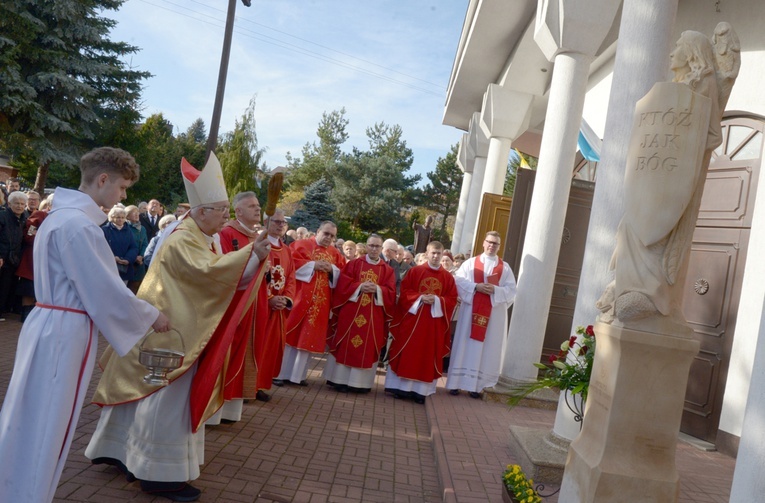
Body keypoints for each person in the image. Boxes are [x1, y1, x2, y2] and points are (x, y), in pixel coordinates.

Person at [85, 153, 270, 501]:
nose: (226, 216)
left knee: (144, 393)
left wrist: (251, 257)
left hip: (169, 325)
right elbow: (209, 275)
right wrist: (252, 256)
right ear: (201, 212)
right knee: (166, 398)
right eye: (222, 210)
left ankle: (118, 451)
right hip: (172, 331)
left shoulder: (201, 235)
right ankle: (159, 473)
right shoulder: (186, 236)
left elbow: (214, 273)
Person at [0, 147, 170, 503]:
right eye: (122, 187)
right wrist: (152, 315)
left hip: (47, 323)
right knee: (48, 421)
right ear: (103, 179)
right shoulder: (79, 226)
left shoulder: (60, 218)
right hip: (64, 332)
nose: (124, 196)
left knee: (29, 413)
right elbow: (104, 289)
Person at [213, 191, 268, 412]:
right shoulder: (227, 234)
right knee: (230, 349)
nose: (258, 209)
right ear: (239, 211)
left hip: (255, 302)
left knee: (247, 350)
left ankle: (233, 407)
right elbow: (226, 269)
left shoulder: (256, 236)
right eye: (252, 205)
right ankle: (218, 407)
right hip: (235, 302)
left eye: (258, 205)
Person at [446, 231, 517, 398]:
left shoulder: (504, 268)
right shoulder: (470, 264)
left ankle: (477, 386)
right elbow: (458, 281)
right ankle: (456, 383)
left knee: (487, 348)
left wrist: (495, 290)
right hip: (470, 312)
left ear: (499, 247)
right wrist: (476, 287)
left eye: (496, 243)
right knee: (465, 344)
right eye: (490, 242)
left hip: (492, 315)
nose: (492, 245)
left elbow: (512, 290)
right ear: (484, 243)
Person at [385, 241, 458, 404]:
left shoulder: (447, 277)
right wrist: (420, 298)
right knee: (408, 352)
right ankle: (399, 388)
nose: (436, 256)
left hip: (433, 325)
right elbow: (404, 293)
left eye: (439, 254)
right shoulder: (415, 271)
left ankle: (420, 391)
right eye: (433, 253)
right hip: (413, 320)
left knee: (427, 353)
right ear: (427, 253)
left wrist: (438, 300)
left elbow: (452, 299)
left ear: (442, 255)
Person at [276, 221, 346, 386]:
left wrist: (332, 270)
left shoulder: (335, 254)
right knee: (290, 335)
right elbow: (290, 264)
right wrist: (312, 265)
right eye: (326, 233)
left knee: (307, 339)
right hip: (300, 299)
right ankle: (278, 374)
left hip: (320, 304)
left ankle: (297, 376)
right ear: (318, 231)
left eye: (332, 235)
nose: (328, 238)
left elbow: (342, 274)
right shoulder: (301, 245)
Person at [324, 234, 396, 393]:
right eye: (371, 245)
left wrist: (378, 289)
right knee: (345, 343)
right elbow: (342, 285)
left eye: (377, 246)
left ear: (382, 248)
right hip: (351, 312)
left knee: (369, 345)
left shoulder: (387, 270)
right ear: (366, 246)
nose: (374, 249)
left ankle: (360, 384)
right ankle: (339, 380)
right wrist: (359, 287)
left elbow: (391, 292)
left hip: (373, 316)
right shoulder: (354, 264)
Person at [256, 209, 296, 399]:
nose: (280, 225)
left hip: (278, 309)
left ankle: (261, 385)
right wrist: (270, 298)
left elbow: (291, 279)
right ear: (266, 223)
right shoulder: (259, 245)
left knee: (270, 348)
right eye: (276, 221)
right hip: (260, 306)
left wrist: (285, 299)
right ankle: (248, 385)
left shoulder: (287, 250)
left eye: (283, 222)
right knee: (257, 345)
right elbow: (256, 276)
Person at [16, 196, 52, 321]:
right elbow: (30, 235)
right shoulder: (39, 215)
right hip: (32, 258)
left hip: (48, 260)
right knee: (29, 288)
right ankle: (25, 314)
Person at [0, 191, 28, 319]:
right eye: (16, 203)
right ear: (9, 204)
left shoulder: (24, 219)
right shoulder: (2, 217)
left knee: (8, 286)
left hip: (14, 259)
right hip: (3, 258)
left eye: (22, 204)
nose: (20, 206)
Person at [101, 206, 137, 285]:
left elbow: (133, 247)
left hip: (125, 268)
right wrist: (113, 257)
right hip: (109, 266)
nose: (120, 219)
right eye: (118, 217)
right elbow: (101, 247)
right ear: (111, 217)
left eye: (122, 217)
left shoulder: (128, 231)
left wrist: (128, 259)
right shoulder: (105, 230)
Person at [125, 205, 149, 293]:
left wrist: (141, 256)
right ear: (127, 216)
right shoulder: (125, 227)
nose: (136, 214)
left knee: (138, 288)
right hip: (128, 262)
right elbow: (125, 245)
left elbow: (145, 244)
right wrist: (133, 257)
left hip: (139, 263)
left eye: (137, 212)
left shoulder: (142, 229)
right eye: (133, 212)